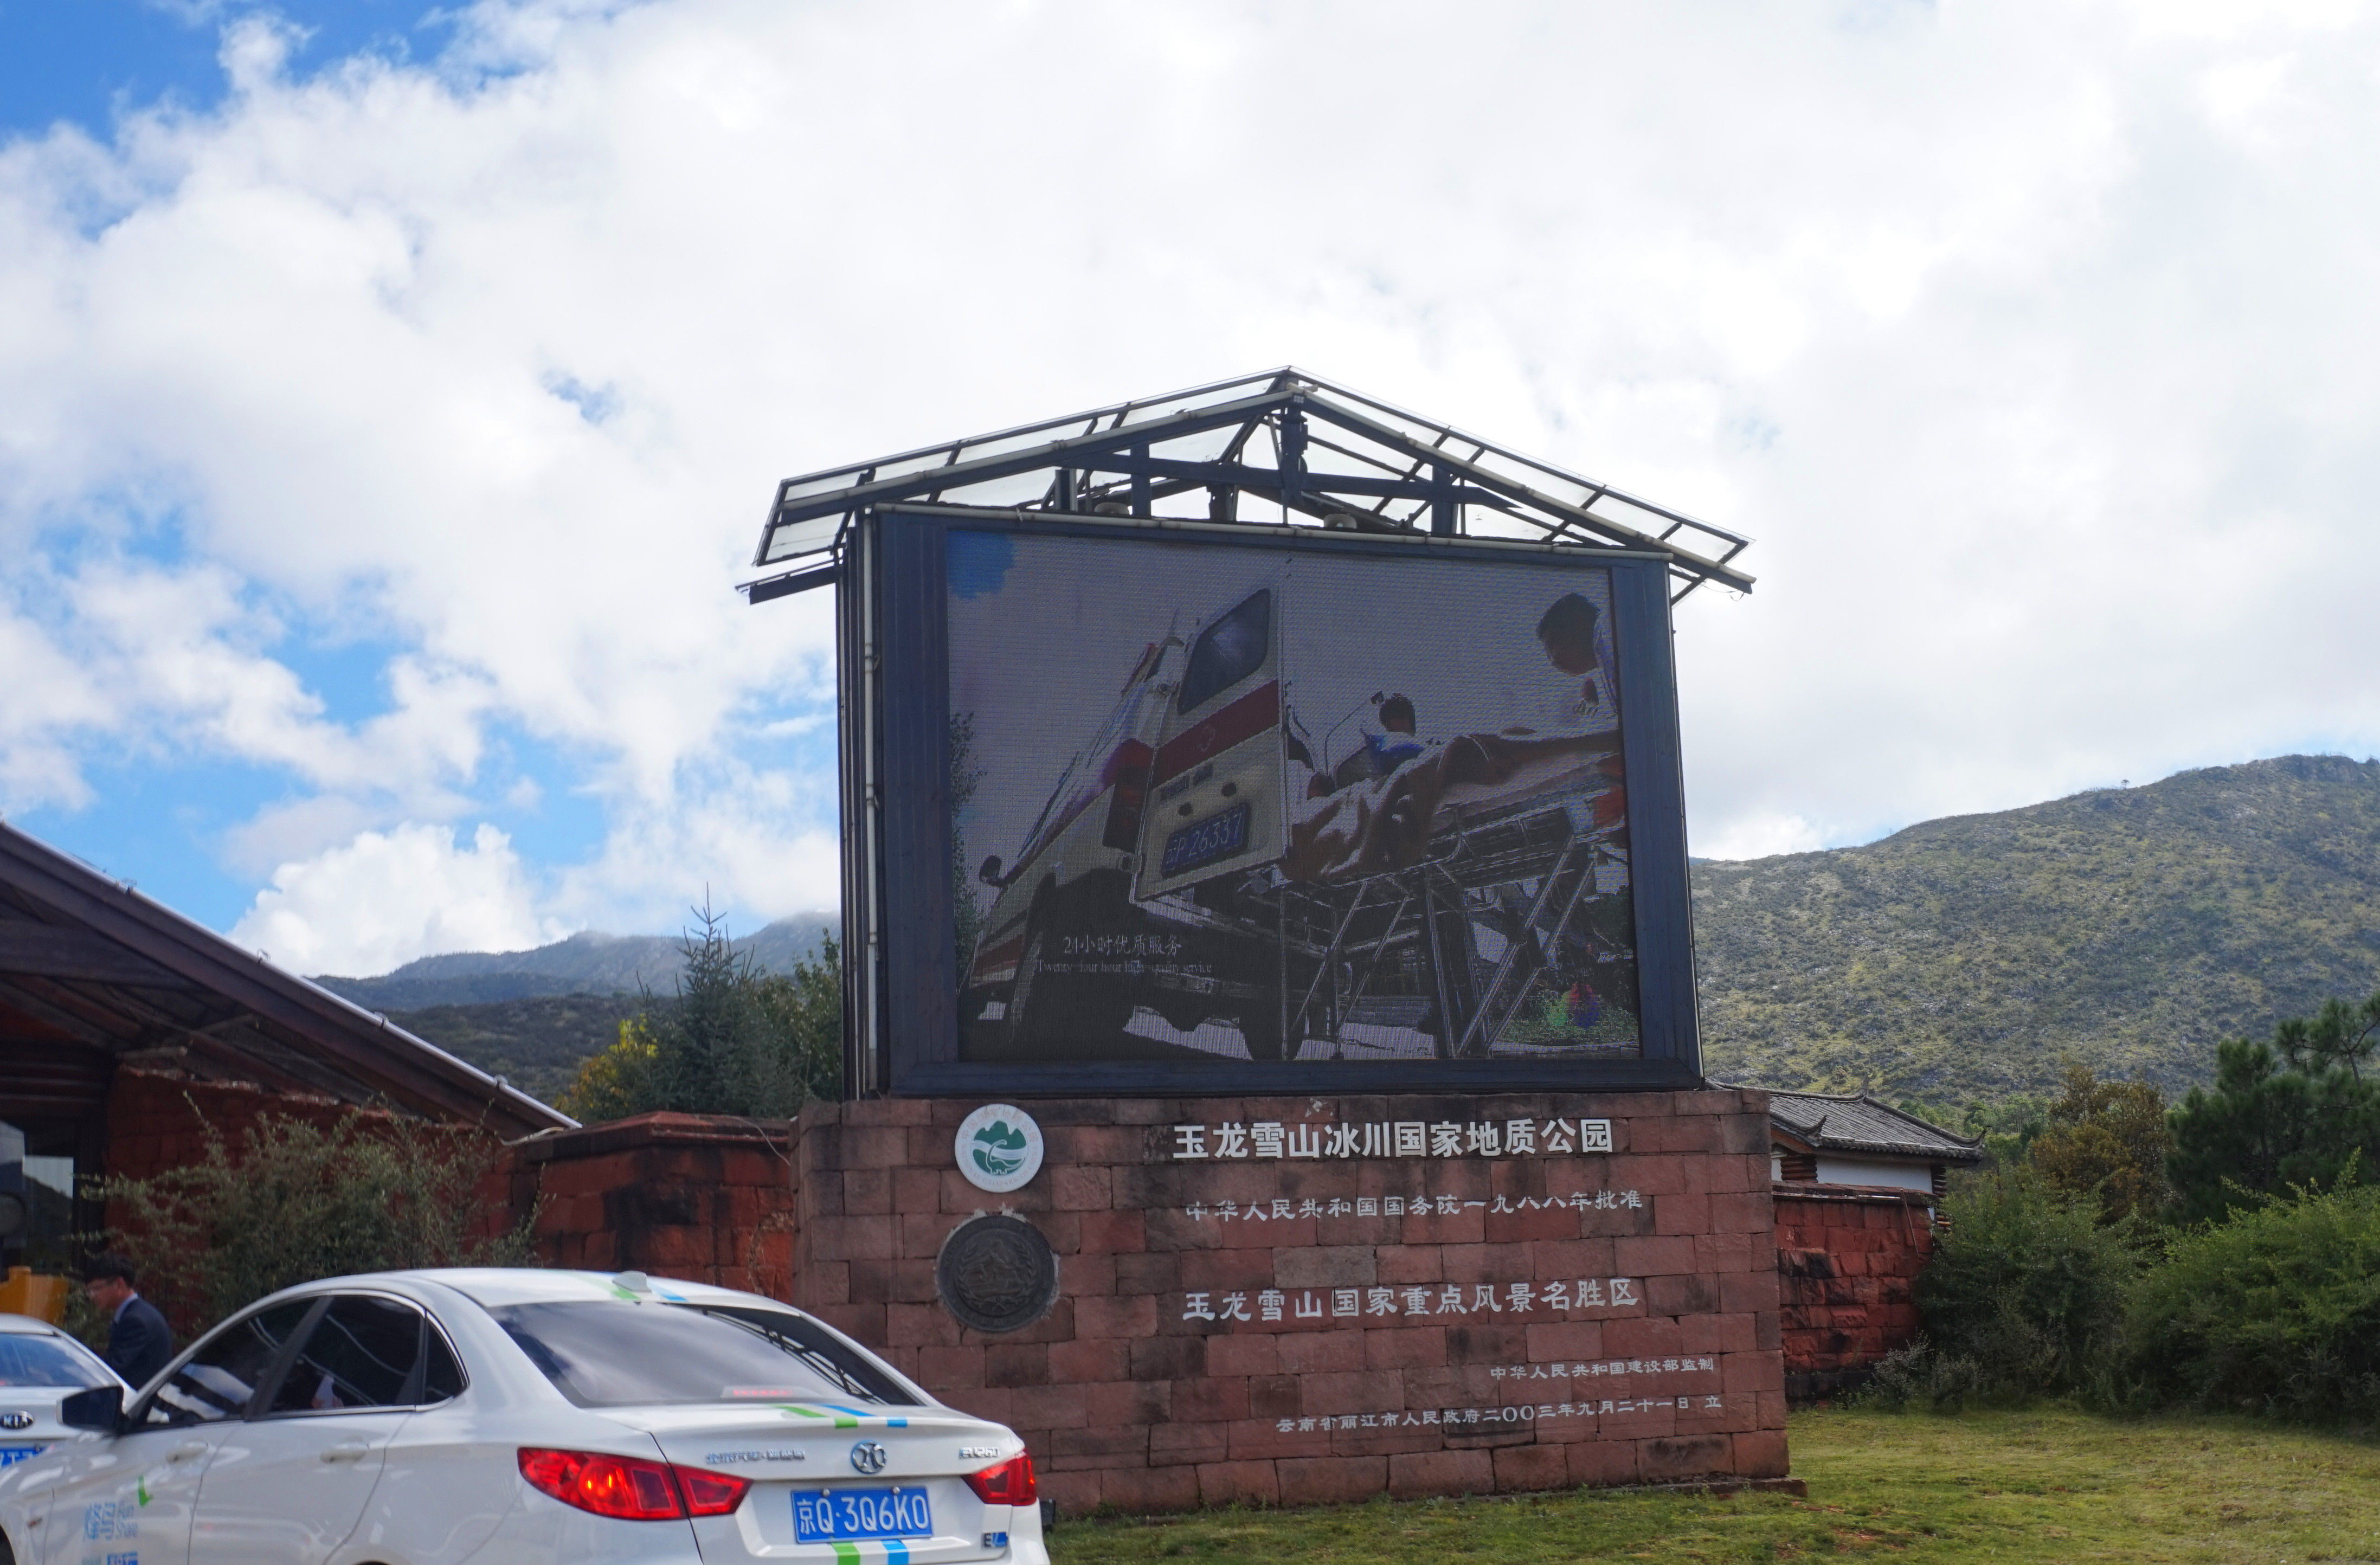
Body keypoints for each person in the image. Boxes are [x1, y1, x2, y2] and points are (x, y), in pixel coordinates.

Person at [1523, 592, 1618, 734]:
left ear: (1579, 623)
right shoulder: (1603, 650)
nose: (1553, 661)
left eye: (1553, 644)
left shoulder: (1606, 635)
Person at [83, 1253, 173, 1389]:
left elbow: (111, 1369)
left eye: (96, 1289)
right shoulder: (138, 1313)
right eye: (89, 1291)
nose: (92, 1296)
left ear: (119, 1284)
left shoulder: (136, 1320)